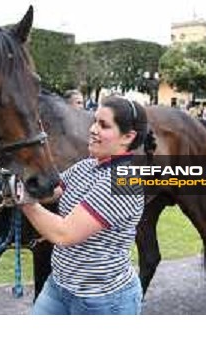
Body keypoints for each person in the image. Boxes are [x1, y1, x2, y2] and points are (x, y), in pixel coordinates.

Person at [16, 96, 148, 315]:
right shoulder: (87, 166)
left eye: (104, 125)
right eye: (95, 121)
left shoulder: (124, 182)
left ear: (128, 137)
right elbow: (52, 191)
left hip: (103, 300)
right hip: (59, 286)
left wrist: (24, 202)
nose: (93, 129)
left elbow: (64, 233)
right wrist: (21, 179)